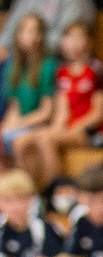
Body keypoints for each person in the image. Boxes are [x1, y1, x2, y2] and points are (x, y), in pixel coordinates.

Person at [13, 21, 103, 190]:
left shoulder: (97, 69)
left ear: (89, 41)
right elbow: (62, 110)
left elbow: (99, 113)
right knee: (21, 142)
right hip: (69, 130)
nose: (73, 43)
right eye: (68, 37)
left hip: (93, 132)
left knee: (44, 138)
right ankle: (29, 190)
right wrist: (57, 129)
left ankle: (58, 189)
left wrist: (71, 130)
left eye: (78, 37)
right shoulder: (62, 71)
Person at [1, 16, 57, 172]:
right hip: (22, 125)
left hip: (40, 125)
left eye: (33, 30)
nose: (28, 35)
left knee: (18, 142)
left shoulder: (48, 66)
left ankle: (29, 190)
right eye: (24, 30)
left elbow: (46, 113)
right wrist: (6, 126)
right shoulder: (14, 67)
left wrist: (17, 124)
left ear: (41, 36)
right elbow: (14, 108)